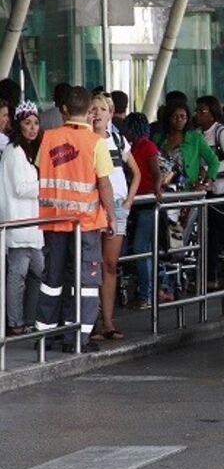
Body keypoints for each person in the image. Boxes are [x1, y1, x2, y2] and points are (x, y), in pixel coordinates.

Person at [35, 87, 116, 354]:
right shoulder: (96, 143)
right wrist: (112, 218)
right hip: (86, 224)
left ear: (64, 110)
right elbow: (104, 185)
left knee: (52, 280)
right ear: (89, 112)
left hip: (53, 222)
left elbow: (41, 172)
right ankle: (77, 337)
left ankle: (45, 335)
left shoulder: (48, 138)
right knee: (86, 283)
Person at [89, 93, 141, 340]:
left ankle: (107, 321)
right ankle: (89, 321)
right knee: (91, 264)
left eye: (102, 109)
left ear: (111, 114)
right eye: (94, 108)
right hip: (92, 206)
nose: (98, 113)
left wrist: (129, 201)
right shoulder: (85, 140)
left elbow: (136, 173)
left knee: (109, 264)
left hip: (118, 206)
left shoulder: (118, 140)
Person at [0, 101, 44, 335]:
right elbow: (20, 188)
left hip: (30, 225)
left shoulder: (26, 151)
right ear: (19, 125)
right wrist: (44, 186)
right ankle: (17, 322)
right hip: (19, 223)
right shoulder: (15, 151)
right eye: (27, 123)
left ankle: (27, 319)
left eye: (36, 123)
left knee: (37, 272)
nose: (32, 128)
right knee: (19, 276)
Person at [196, 95, 224, 290]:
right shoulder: (197, 134)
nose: (199, 115)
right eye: (198, 111)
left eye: (203, 111)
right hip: (205, 192)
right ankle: (209, 276)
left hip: (222, 191)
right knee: (208, 236)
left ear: (213, 113)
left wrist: (211, 169)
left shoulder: (221, 132)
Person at [124, 113, 162, 310]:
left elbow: (156, 173)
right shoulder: (133, 147)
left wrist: (157, 190)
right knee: (140, 249)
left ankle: (145, 294)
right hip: (137, 202)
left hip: (147, 202)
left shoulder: (147, 146)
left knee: (141, 248)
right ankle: (145, 292)